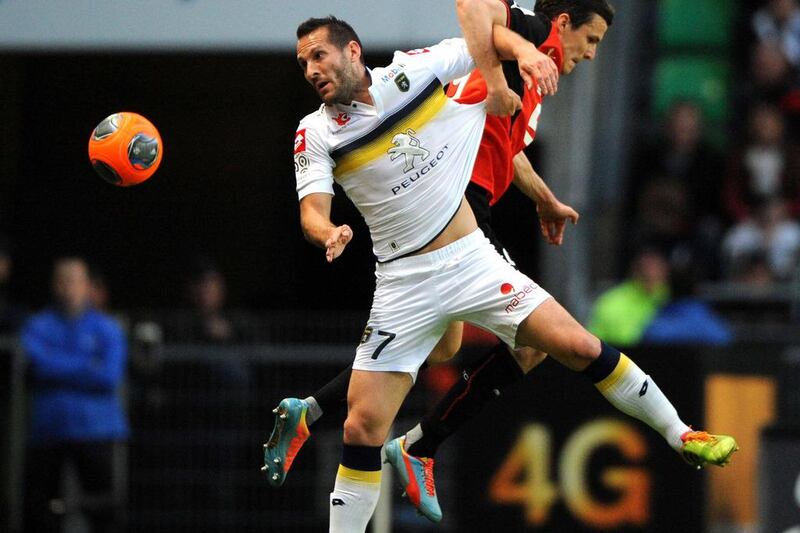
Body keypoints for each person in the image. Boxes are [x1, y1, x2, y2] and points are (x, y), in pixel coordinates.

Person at [285, 4, 737, 530]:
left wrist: (518, 66)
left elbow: (479, 48)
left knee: (573, 345)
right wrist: (328, 232)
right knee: (363, 427)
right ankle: (359, 427)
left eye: (319, 55)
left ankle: (681, 433)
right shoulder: (314, 132)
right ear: (563, 25)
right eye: (303, 63)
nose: (312, 69)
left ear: (352, 51)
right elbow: (312, 211)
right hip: (403, 282)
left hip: (470, 260)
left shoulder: (413, 71)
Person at [265, 0, 579, 522]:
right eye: (587, 44)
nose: (584, 57)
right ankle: (420, 446)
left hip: (459, 218)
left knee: (439, 348)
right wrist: (520, 55)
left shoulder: (523, 82)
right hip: (459, 217)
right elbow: (479, 23)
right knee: (533, 346)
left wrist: (543, 197)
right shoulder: (510, 58)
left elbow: (503, 144)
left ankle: (314, 409)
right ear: (564, 27)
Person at [22, 257, 129, 533]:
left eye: (75, 280)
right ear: (53, 285)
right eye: (62, 280)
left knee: (103, 507)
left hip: (96, 430)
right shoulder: (38, 325)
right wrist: (85, 364)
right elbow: (36, 367)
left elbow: (108, 376)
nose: (68, 287)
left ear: (87, 286)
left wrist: (58, 366)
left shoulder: (107, 328)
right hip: (50, 430)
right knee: (41, 507)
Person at [587, 245, 670, 346]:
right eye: (647, 268)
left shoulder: (670, 297)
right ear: (635, 270)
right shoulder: (611, 303)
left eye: (658, 268)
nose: (652, 273)